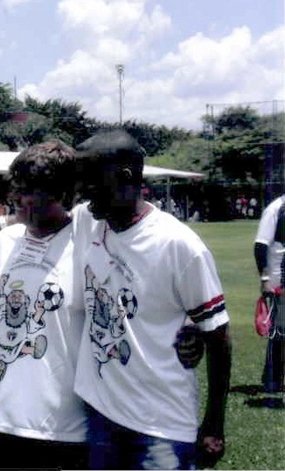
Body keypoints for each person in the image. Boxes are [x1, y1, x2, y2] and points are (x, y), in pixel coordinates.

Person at [73, 130, 231, 470]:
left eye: (91, 177)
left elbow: (219, 336)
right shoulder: (89, 221)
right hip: (99, 416)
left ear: (126, 176)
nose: (82, 189)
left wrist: (214, 424)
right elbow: (44, 214)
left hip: (160, 429)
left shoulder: (178, 245)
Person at [0, 141, 89, 469]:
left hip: (60, 428)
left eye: (28, 192)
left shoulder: (85, 244)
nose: (17, 199)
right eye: (16, 189)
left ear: (62, 194)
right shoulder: (8, 241)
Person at [254, 194, 285, 393]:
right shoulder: (275, 209)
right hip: (278, 279)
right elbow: (260, 246)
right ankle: (272, 380)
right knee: (280, 332)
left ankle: (274, 378)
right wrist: (265, 280)